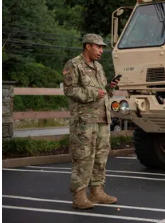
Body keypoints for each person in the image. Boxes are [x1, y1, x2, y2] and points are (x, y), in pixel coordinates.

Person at [62, 33, 120, 209]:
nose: (101, 50)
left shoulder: (99, 67)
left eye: (102, 47)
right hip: (84, 122)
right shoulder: (73, 65)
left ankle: (96, 192)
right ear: (88, 46)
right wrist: (94, 94)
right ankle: (79, 196)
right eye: (98, 47)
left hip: (102, 119)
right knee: (83, 157)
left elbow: (102, 92)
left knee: (100, 157)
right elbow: (70, 90)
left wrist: (110, 88)